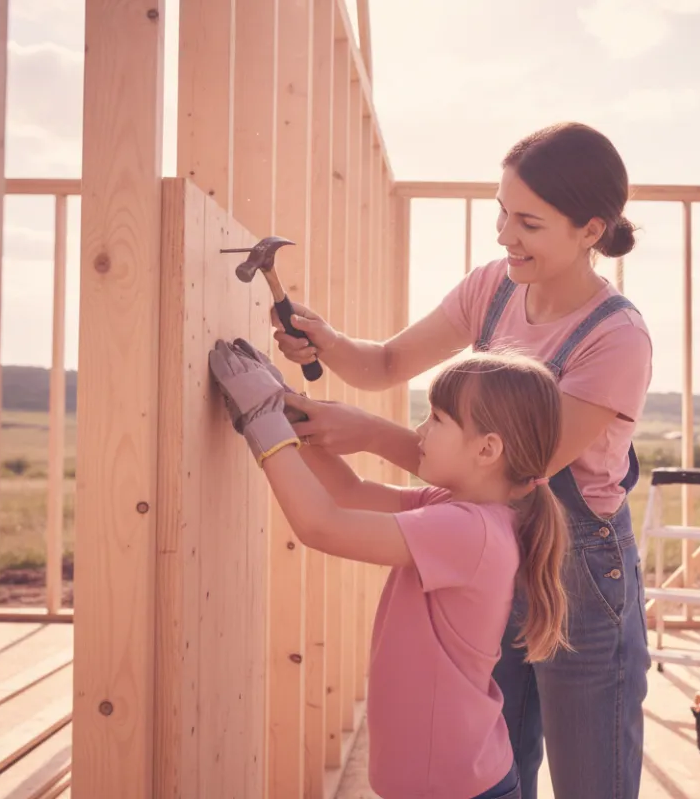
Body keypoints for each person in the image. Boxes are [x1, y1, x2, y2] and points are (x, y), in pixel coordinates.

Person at [273, 121, 653, 799]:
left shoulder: (617, 338)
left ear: (590, 230)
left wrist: (363, 431)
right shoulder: (493, 287)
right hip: (493, 551)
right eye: (501, 212)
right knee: (505, 764)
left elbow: (518, 470)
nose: (504, 235)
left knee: (592, 781)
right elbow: (386, 363)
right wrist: (324, 342)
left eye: (528, 223)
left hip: (580, 572)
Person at [207, 339, 572, 799]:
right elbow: (350, 492)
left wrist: (263, 423)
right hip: (452, 782)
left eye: (437, 419)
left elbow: (323, 526)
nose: (420, 430)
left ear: (487, 449)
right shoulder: (458, 507)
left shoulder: (469, 531)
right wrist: (285, 412)